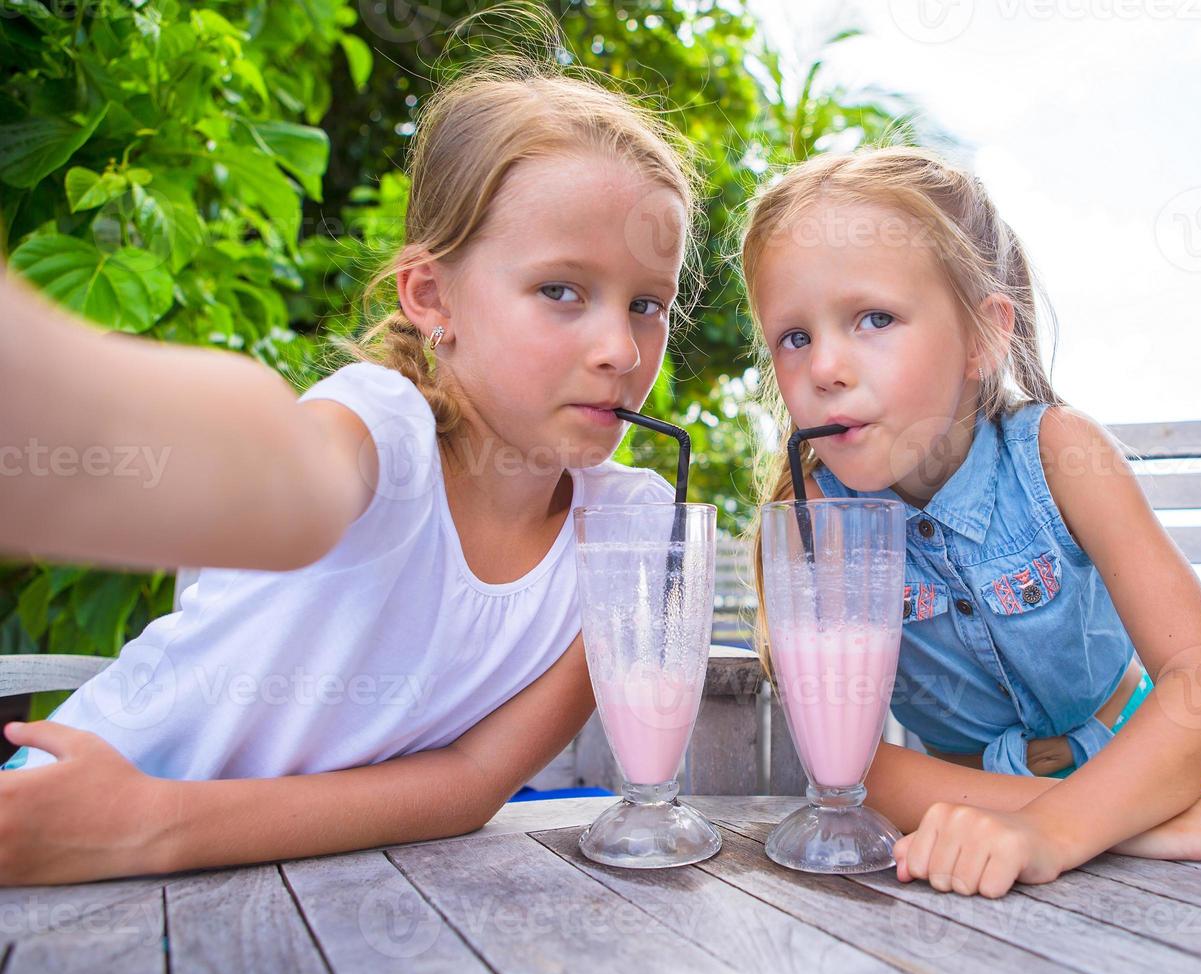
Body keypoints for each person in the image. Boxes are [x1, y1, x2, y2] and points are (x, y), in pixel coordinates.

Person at [0, 60, 694, 886]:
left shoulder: (629, 533)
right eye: (560, 290)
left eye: (647, 304)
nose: (620, 350)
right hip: (50, 818)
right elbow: (286, 481)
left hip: (203, 866)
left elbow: (470, 783)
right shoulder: (382, 431)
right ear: (431, 297)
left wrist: (154, 826)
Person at [744, 146, 1201, 898]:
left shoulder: (1061, 454)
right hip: (973, 820)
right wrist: (1091, 827)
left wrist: (1071, 825)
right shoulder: (812, 523)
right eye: (795, 337)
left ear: (983, 337)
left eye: (874, 318)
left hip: (1159, 779)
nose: (824, 368)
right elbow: (853, 769)